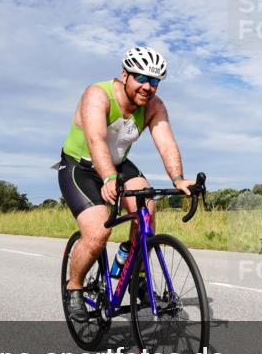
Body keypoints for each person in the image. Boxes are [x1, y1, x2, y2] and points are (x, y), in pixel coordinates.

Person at [58, 46, 194, 321]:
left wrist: (179, 179)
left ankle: (137, 276)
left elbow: (167, 144)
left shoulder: (154, 106)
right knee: (98, 233)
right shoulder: (98, 95)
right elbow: (96, 140)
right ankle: (74, 287)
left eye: (154, 81)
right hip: (80, 167)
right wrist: (108, 178)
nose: (147, 86)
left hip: (118, 165)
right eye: (141, 78)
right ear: (124, 75)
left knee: (147, 210)